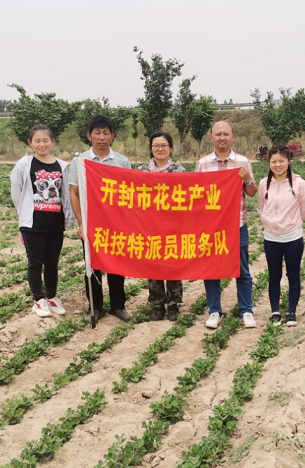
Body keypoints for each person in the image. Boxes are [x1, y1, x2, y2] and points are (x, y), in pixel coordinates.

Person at [68, 114, 133, 323]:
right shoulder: (80, 162)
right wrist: (81, 223)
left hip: (116, 223)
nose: (102, 137)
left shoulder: (122, 161)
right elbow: (74, 193)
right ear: (89, 135)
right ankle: (94, 307)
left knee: (116, 266)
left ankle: (118, 305)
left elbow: (130, 193)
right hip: (91, 223)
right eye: (97, 132)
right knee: (92, 264)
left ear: (112, 136)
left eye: (106, 133)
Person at [195, 120, 257, 329]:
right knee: (212, 269)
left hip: (237, 225)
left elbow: (251, 193)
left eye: (226, 134)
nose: (222, 138)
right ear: (211, 137)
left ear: (232, 137)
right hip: (211, 227)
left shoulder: (242, 162)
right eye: (218, 134)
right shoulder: (203, 164)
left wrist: (248, 179)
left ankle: (246, 310)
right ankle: (214, 310)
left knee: (242, 268)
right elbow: (196, 194)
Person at [10, 125, 74, 317]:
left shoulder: (62, 166)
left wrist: (68, 219)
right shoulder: (24, 164)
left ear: (53, 142)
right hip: (33, 224)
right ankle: (38, 299)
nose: (42, 144)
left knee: (52, 262)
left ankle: (52, 297)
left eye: (46, 140)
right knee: (35, 262)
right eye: (37, 141)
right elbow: (17, 192)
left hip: (55, 222)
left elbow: (66, 195)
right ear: (30, 143)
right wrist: (23, 216)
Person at [258, 144, 305, 327]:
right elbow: (262, 206)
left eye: (281, 161)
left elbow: (304, 210)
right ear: (269, 162)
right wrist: (270, 222)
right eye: (274, 161)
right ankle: (274, 311)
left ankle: (291, 311)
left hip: (293, 238)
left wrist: (289, 222)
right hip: (271, 237)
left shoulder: (299, 184)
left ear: (289, 161)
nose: (277, 165)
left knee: (293, 274)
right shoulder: (264, 183)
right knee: (274, 275)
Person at [136, 131, 186, 321]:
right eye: (156, 145)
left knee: (173, 263)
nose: (160, 149)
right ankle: (157, 304)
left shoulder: (180, 171)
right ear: (151, 149)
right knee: (154, 264)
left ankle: (173, 304)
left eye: (164, 145)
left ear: (171, 148)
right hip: (149, 226)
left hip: (173, 225)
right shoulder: (141, 171)